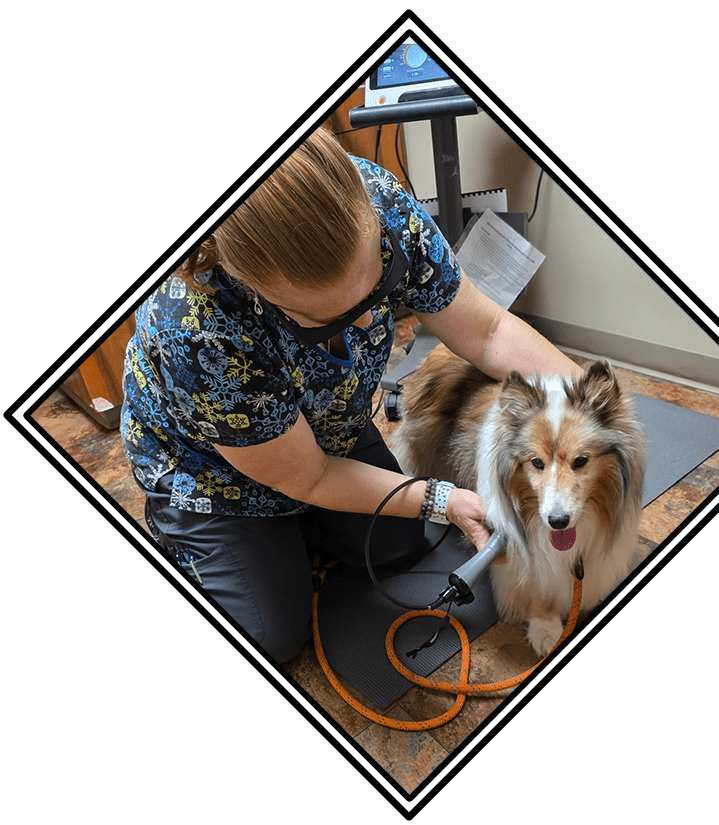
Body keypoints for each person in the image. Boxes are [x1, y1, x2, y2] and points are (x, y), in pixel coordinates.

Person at [121, 127, 582, 663]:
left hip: (326, 423)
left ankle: (294, 533)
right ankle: (190, 531)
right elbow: (309, 476)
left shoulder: (381, 201)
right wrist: (441, 499)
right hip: (212, 472)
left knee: (402, 547)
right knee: (268, 637)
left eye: (379, 287)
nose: (368, 324)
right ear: (257, 292)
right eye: (328, 320)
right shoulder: (197, 328)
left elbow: (488, 332)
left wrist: (592, 407)